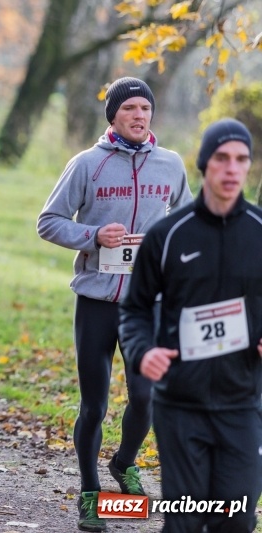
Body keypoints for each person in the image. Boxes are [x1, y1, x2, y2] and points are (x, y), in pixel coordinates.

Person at [37, 77, 193, 532]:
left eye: (146, 108)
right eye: (130, 109)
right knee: (94, 405)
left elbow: (187, 222)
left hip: (147, 305)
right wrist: (92, 235)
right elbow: (48, 222)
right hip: (97, 302)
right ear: (114, 116)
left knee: (145, 398)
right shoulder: (88, 164)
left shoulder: (170, 164)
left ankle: (124, 463)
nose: (140, 115)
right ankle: (90, 495)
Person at [119, 118, 262, 533]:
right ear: (204, 165)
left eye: (242, 160)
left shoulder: (259, 233)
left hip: (242, 404)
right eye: (222, 158)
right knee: (184, 522)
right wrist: (143, 351)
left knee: (235, 522)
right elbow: (135, 309)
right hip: (180, 404)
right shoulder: (167, 235)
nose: (232, 169)